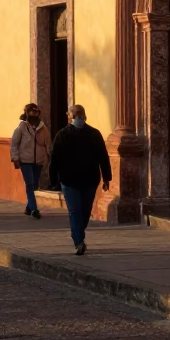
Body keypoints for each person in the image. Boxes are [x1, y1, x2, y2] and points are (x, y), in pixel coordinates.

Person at [48, 104, 111, 255]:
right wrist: (53, 180)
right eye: (75, 115)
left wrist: (107, 178)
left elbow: (103, 156)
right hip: (69, 181)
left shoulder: (94, 134)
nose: (78, 118)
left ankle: (78, 234)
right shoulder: (62, 135)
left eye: (80, 115)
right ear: (69, 117)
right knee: (75, 211)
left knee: (85, 212)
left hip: (89, 180)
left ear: (85, 116)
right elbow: (55, 159)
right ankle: (79, 241)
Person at [10, 103, 50, 219]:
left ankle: (28, 208)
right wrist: (15, 158)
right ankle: (34, 209)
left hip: (38, 161)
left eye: (36, 113)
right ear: (27, 113)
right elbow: (14, 143)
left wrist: (46, 157)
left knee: (35, 185)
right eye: (31, 113)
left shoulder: (43, 128)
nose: (34, 115)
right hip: (25, 160)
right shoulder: (22, 127)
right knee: (29, 184)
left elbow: (47, 143)